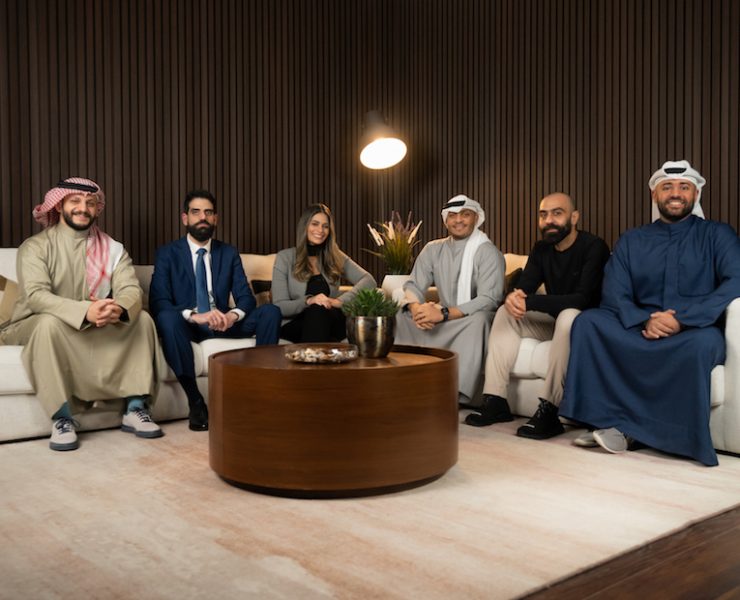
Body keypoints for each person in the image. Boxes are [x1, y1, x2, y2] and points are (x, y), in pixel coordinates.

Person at [560, 160, 740, 466]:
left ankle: (627, 429)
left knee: (700, 346)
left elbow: (736, 280)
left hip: (694, 330)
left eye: (684, 187)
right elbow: (614, 292)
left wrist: (681, 320)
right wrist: (646, 319)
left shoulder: (718, 235)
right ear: (655, 195)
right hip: (640, 327)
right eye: (667, 187)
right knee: (589, 322)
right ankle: (607, 421)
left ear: (696, 194)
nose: (676, 193)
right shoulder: (632, 239)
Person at [0, 178, 162, 451]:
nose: (83, 208)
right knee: (49, 324)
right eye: (75, 201)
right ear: (59, 205)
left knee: (142, 319)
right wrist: (85, 310)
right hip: (33, 323)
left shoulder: (112, 249)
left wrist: (118, 308)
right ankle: (62, 417)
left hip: (92, 323)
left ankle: (135, 408)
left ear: (98, 209)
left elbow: (130, 289)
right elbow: (36, 297)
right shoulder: (36, 247)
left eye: (90, 203)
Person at [466, 193, 610, 437]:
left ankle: (550, 409)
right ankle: (495, 400)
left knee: (568, 315)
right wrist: (514, 297)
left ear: (574, 217)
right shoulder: (542, 249)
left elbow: (582, 299)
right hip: (554, 321)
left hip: (584, 324)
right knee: (505, 313)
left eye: (557, 213)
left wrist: (529, 300)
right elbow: (526, 286)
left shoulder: (594, 246)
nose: (549, 220)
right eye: (543, 215)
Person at [149, 190, 281, 431]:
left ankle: (259, 391)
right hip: (189, 325)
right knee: (167, 318)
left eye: (208, 212)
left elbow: (245, 298)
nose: (203, 217)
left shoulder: (228, 253)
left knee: (270, 312)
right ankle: (196, 401)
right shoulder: (168, 253)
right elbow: (159, 302)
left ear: (215, 219)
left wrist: (232, 315)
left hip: (222, 322)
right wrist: (195, 315)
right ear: (185, 218)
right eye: (196, 212)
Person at [395, 194, 505, 404]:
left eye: (465, 214)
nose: (458, 220)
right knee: (400, 313)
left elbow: (489, 299)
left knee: (480, 320)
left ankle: (453, 394)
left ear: (476, 218)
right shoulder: (432, 249)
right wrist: (418, 310)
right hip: (442, 316)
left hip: (470, 318)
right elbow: (413, 285)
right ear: (445, 221)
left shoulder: (488, 252)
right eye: (452, 216)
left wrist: (444, 314)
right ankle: (404, 381)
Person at [272, 203, 376, 342]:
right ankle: (324, 350)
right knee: (317, 310)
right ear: (305, 226)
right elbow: (280, 306)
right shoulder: (285, 258)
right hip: (296, 323)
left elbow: (369, 281)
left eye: (325, 226)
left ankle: (316, 353)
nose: (320, 230)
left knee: (327, 314)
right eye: (315, 224)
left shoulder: (334, 256)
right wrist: (309, 301)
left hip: (330, 319)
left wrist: (339, 301)